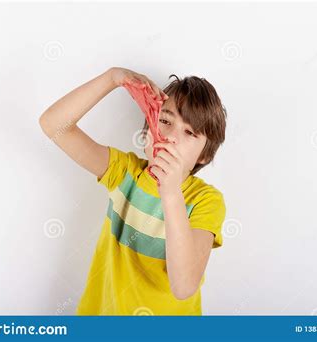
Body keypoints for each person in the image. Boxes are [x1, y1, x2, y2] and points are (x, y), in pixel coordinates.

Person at [39, 67, 227, 315]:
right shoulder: (123, 172)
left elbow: (183, 286)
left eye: (190, 132)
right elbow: (53, 125)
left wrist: (170, 194)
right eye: (165, 120)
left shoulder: (206, 201)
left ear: (204, 155)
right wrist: (112, 78)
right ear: (147, 129)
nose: (170, 136)